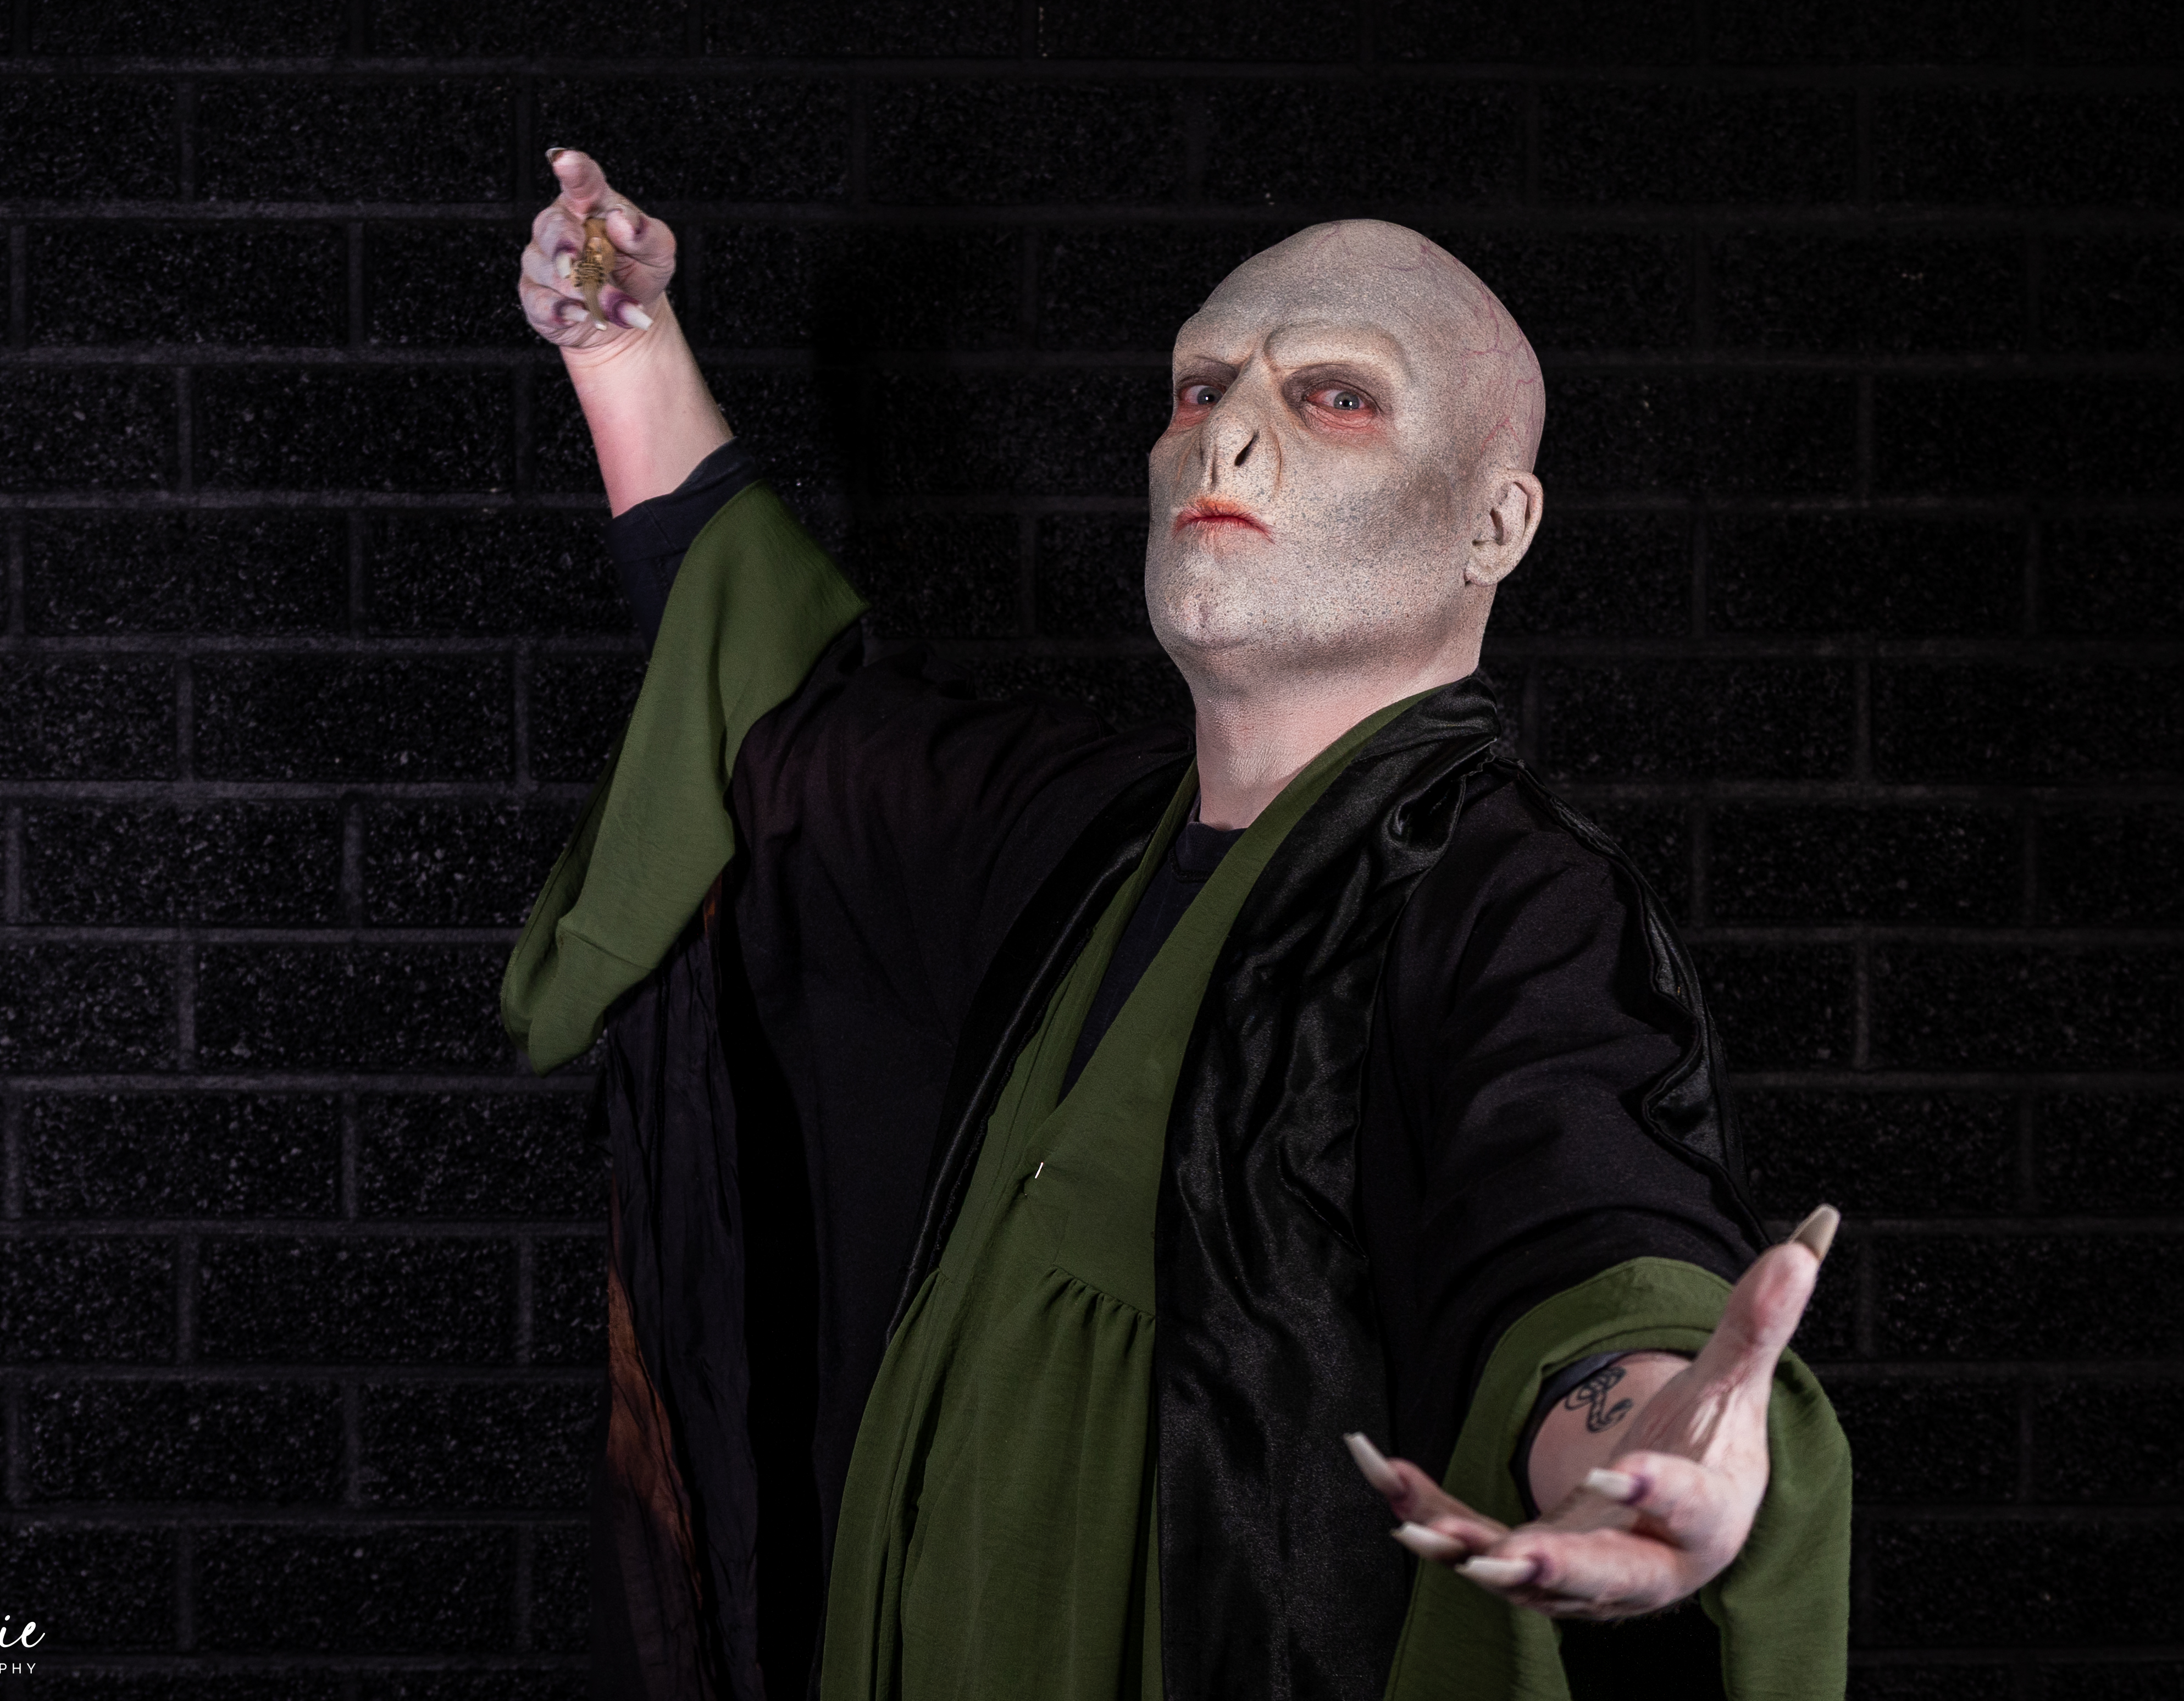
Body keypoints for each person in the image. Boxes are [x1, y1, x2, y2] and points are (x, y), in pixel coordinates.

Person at [503, 149, 1850, 1701]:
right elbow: (785, 711)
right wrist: (624, 353)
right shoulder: (1074, 828)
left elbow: (1579, 1216)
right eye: (1201, 386)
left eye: (1334, 396)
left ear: (1495, 523)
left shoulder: (1511, 899)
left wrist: (1640, 1433)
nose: (1226, 432)